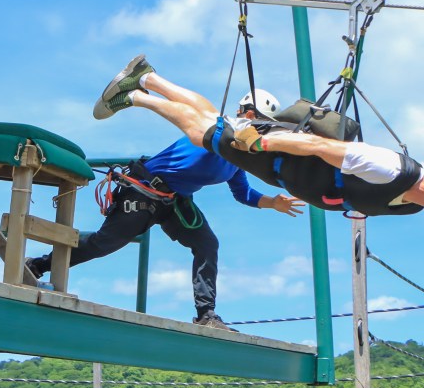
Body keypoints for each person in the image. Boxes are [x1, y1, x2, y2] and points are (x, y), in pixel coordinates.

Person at [27, 55, 304, 331]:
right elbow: (199, 112)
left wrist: (272, 202)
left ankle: (206, 314)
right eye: (264, 127)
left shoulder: (237, 161)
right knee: (103, 244)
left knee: (207, 244)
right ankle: (39, 265)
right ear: (250, 116)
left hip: (174, 202)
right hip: (144, 190)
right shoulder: (225, 131)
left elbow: (243, 193)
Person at [94, 54, 424, 217]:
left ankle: (147, 79)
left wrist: (270, 201)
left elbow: (242, 192)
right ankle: (134, 94)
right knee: (201, 131)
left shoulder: (409, 205)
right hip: (274, 154)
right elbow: (318, 145)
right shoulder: (391, 169)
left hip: (277, 167)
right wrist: (262, 142)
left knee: (211, 121)